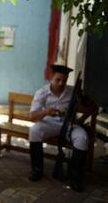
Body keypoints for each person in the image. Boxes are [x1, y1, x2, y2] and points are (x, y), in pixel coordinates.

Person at [29, 64, 88, 192]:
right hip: (49, 123)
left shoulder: (72, 91)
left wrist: (80, 120)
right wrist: (45, 112)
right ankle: (36, 169)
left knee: (82, 137)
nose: (61, 83)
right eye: (58, 80)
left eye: (64, 80)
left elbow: (91, 106)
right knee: (34, 131)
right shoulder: (42, 92)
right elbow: (33, 116)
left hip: (69, 124)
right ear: (51, 77)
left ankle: (75, 177)